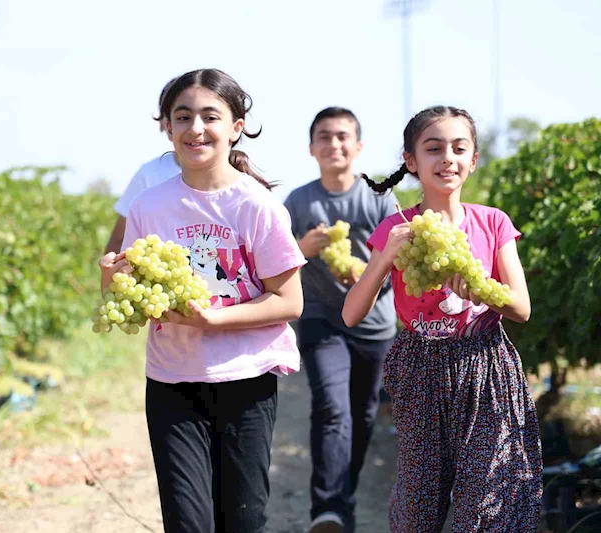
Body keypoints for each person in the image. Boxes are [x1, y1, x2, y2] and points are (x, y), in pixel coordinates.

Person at [98, 68, 306, 533]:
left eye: (210, 116)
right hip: (172, 381)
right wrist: (113, 282)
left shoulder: (257, 205)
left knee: (244, 519)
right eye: (183, 116)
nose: (195, 128)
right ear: (167, 127)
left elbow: (290, 302)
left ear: (235, 128)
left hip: (246, 379)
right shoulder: (148, 206)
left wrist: (214, 321)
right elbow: (131, 296)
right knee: (187, 522)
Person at [342, 105, 542, 532]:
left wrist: (485, 294)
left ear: (473, 160)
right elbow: (352, 312)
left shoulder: (493, 222)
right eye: (433, 148)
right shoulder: (396, 229)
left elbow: (522, 308)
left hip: (486, 367)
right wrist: (384, 259)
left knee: (487, 498)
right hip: (419, 368)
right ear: (411, 161)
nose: (446, 157)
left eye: (458, 148)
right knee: (419, 502)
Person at [284, 107, 398, 533]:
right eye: (325, 137)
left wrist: (367, 275)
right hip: (320, 319)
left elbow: (401, 261)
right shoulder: (298, 201)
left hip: (374, 325)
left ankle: (342, 500)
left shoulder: (380, 197)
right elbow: (275, 264)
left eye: (343, 137)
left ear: (359, 146)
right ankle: (327, 510)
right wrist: (303, 249)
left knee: (363, 414)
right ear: (312, 148)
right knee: (333, 409)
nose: (334, 145)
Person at [104, 77, 181, 255]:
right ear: (164, 124)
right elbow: (118, 239)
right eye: (181, 117)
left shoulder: (236, 180)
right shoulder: (150, 174)